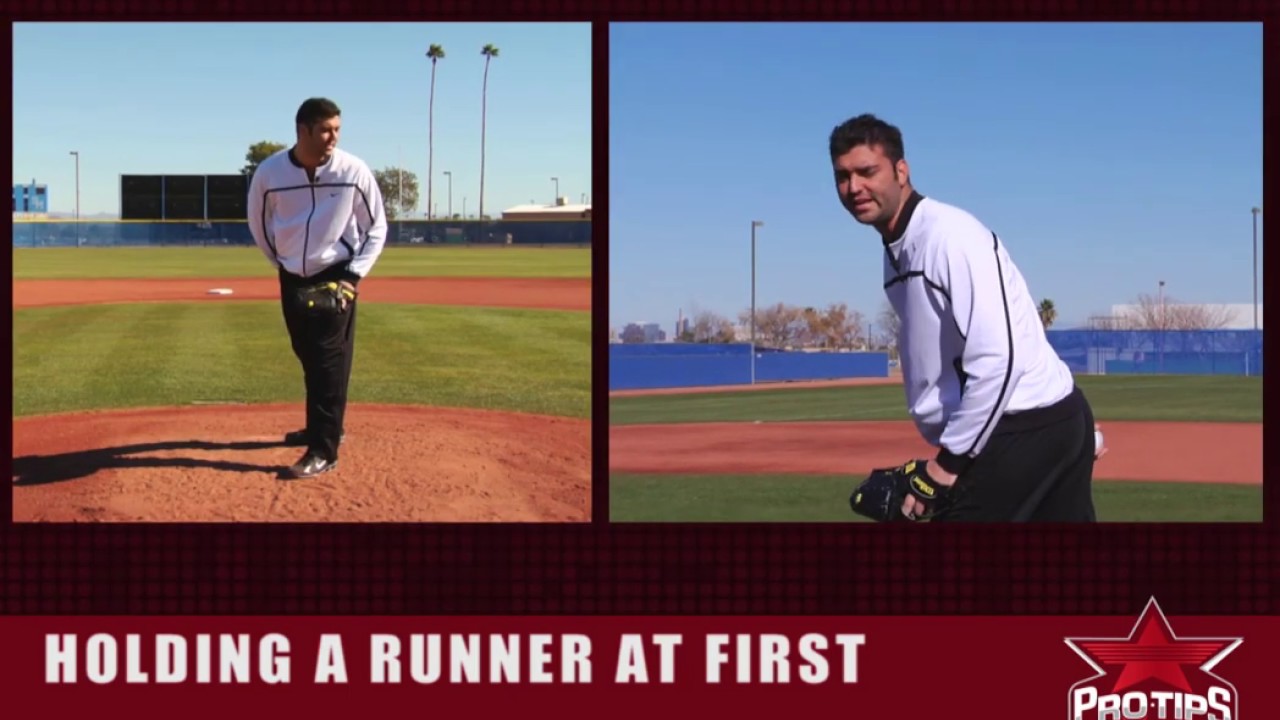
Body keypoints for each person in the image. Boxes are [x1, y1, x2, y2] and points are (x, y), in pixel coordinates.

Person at [829, 113, 1102, 522]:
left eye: (867, 172)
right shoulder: (900, 250)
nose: (854, 187)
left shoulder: (950, 237)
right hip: (1038, 422)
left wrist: (946, 465)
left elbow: (999, 358)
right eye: (843, 176)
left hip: (1019, 428)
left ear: (901, 171)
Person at [247, 97, 388, 479]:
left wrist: (352, 276)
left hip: (336, 274)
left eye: (337, 129)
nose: (333, 137)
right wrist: (284, 263)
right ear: (303, 130)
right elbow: (259, 224)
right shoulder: (270, 173)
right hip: (292, 274)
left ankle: (324, 449)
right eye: (325, 130)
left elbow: (376, 227)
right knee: (307, 353)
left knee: (328, 358)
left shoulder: (353, 171)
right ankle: (322, 426)